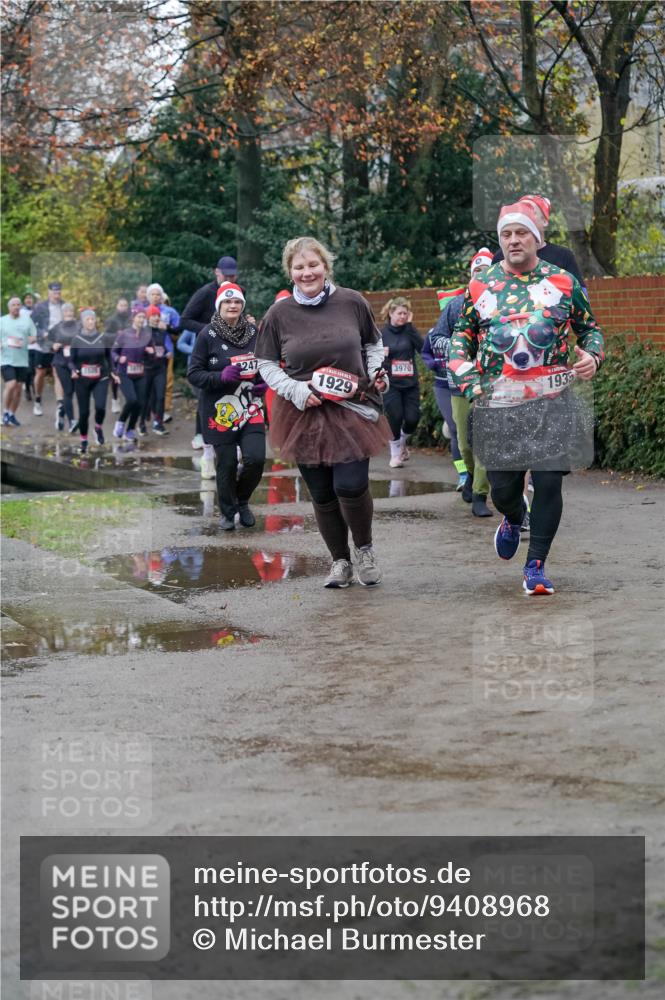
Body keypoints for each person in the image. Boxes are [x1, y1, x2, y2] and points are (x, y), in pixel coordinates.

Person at [449, 201, 605, 595]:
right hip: (498, 403)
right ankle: (513, 516)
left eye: (521, 233)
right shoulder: (480, 285)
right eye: (506, 234)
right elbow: (459, 342)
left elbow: (590, 330)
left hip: (551, 401)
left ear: (536, 238)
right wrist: (471, 382)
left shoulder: (563, 282)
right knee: (503, 488)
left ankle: (535, 566)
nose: (513, 240)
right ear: (500, 241)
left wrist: (592, 357)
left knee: (550, 483)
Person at [256, 236, 391, 588]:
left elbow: (373, 344)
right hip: (304, 412)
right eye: (298, 267)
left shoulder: (351, 302)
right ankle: (340, 562)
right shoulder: (278, 314)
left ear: (326, 266)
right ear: (290, 272)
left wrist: (375, 372)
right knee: (322, 493)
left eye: (313, 265)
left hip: (352, 409)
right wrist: (296, 390)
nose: (307, 272)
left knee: (351, 484)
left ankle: (364, 549)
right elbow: (266, 363)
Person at [188, 282, 267, 529]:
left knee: (255, 458)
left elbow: (266, 363)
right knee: (228, 463)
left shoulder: (254, 333)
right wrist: (220, 376)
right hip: (220, 411)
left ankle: (241, 501)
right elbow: (193, 374)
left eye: (237, 302)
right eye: (227, 302)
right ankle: (227, 511)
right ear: (219, 305)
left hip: (250, 405)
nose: (232, 306)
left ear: (242, 306)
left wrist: (264, 381)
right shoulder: (207, 335)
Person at [424, 250, 494, 516]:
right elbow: (436, 338)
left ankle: (479, 494)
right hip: (459, 382)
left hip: (491, 383)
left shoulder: (502, 303)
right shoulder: (456, 305)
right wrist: (460, 348)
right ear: (471, 274)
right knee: (464, 442)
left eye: (487, 270)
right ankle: (470, 479)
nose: (482, 275)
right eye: (478, 271)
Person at [491, 194, 584, 284]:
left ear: (545, 220)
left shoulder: (563, 256)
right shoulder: (501, 256)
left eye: (531, 211)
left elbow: (580, 295)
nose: (526, 215)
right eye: (522, 211)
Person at [379, 296, 423, 469]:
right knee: (395, 417)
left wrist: (411, 326)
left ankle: (402, 441)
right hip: (391, 384)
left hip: (410, 384)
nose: (403, 317)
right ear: (391, 313)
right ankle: (395, 454)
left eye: (405, 313)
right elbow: (372, 358)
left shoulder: (409, 331)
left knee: (413, 419)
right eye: (399, 313)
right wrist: (383, 356)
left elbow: (422, 347)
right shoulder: (382, 334)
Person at [69, 309, 111, 453]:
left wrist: (113, 372)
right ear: (82, 322)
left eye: (92, 319)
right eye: (87, 319)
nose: (90, 322)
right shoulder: (76, 339)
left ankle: (98, 427)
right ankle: (84, 440)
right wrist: (73, 370)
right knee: (84, 413)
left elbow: (109, 357)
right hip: (82, 379)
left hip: (101, 377)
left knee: (100, 407)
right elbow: (71, 361)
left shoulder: (102, 337)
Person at [111, 308, 152, 442]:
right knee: (132, 400)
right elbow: (113, 352)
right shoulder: (124, 334)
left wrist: (151, 352)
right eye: (139, 317)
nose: (141, 320)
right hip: (124, 373)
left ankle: (130, 430)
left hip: (140, 373)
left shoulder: (147, 335)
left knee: (140, 403)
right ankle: (120, 423)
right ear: (133, 318)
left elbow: (153, 354)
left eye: (143, 317)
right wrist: (118, 359)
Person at [180, 256, 244, 336]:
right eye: (225, 275)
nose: (229, 280)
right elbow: (184, 321)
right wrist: (211, 330)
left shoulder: (240, 292)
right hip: (207, 344)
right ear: (217, 272)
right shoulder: (205, 292)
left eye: (232, 276)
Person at [30, 281, 64, 418]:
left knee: (58, 374)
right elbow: (31, 323)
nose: (57, 295)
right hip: (43, 345)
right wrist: (40, 333)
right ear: (49, 292)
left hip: (58, 344)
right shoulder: (40, 307)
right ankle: (38, 400)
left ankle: (60, 404)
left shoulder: (64, 305)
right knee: (41, 374)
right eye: (54, 292)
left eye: (59, 292)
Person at [1, 296, 37, 426]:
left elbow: (34, 335)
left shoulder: (27, 320)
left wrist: (30, 339)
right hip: (6, 359)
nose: (16, 307)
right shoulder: (2, 321)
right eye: (14, 305)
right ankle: (5, 412)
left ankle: (12, 414)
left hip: (22, 360)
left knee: (17, 389)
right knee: (11, 385)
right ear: (9, 307)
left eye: (18, 305)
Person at [141, 306, 172, 436]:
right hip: (146, 369)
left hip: (160, 368)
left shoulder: (162, 331)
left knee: (160, 396)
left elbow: (162, 346)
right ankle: (141, 424)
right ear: (148, 317)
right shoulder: (142, 332)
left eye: (158, 315)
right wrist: (145, 350)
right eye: (153, 315)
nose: (156, 317)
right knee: (145, 397)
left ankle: (158, 424)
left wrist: (167, 352)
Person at [48, 302, 79, 433]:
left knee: (73, 391)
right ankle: (72, 421)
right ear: (62, 314)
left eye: (71, 311)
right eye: (66, 312)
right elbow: (46, 341)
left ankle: (61, 412)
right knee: (68, 391)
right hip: (61, 362)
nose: (69, 314)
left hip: (76, 362)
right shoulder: (57, 328)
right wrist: (52, 345)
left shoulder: (80, 326)